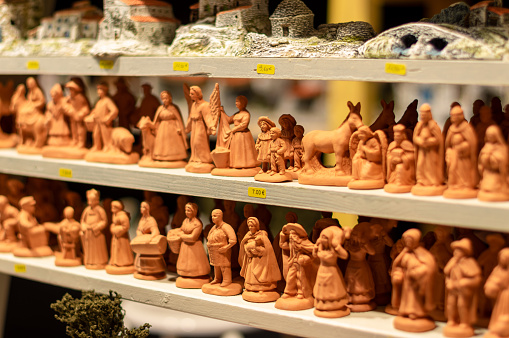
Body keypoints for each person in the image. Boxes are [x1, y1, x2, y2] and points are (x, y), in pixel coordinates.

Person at [391, 228, 437, 332]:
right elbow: (397, 265)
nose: (408, 243)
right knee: (406, 297)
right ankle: (404, 310)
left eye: (410, 240)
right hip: (407, 280)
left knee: (415, 298)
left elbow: (429, 267)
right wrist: (398, 274)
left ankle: (416, 313)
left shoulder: (423, 254)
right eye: (406, 240)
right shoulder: (405, 253)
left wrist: (417, 273)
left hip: (417, 282)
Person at [443, 238, 482, 337]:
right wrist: (448, 281)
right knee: (451, 304)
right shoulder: (453, 261)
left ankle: (464, 323)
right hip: (452, 289)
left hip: (463, 291)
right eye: (455, 250)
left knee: (462, 305)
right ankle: (452, 320)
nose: (455, 252)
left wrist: (463, 282)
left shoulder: (469, 262)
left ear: (464, 252)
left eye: (458, 250)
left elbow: (476, 278)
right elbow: (447, 272)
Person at [167, 202, 210, 288]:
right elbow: (182, 229)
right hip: (185, 246)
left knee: (195, 264)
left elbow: (193, 237)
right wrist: (174, 231)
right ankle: (186, 274)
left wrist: (181, 236)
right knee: (185, 263)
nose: (187, 212)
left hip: (194, 247)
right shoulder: (185, 221)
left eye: (189, 210)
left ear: (194, 211)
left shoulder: (197, 224)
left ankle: (197, 275)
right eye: (186, 210)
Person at [238, 217, 281, 302]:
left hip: (261, 260)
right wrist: (247, 247)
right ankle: (251, 287)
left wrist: (258, 249)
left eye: (252, 226)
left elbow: (267, 247)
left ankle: (262, 288)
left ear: (257, 226)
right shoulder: (247, 235)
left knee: (261, 274)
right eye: (249, 226)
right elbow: (244, 244)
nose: (251, 228)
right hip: (251, 258)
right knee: (251, 274)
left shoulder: (262, 234)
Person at [275, 222, 316, 311]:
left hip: (302, 264)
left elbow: (313, 249)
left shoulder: (303, 242)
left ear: (297, 235)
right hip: (293, 262)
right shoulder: (291, 243)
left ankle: (302, 293)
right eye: (290, 235)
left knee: (301, 278)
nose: (291, 237)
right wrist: (282, 235)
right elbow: (282, 245)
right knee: (290, 277)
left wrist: (305, 255)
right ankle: (289, 292)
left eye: (293, 235)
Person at [313, 226, 349, 318]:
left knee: (333, 289)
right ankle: (322, 303)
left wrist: (337, 246)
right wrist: (315, 247)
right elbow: (314, 255)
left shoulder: (334, 249)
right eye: (322, 237)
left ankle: (335, 303)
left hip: (332, 271)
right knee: (321, 288)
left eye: (326, 238)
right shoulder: (320, 248)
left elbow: (345, 255)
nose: (323, 240)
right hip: (322, 269)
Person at [444, 105, 478, 199]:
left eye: (456, 115)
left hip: (464, 156)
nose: (454, 118)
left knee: (464, 171)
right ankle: (454, 184)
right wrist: (449, 151)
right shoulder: (451, 129)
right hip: (454, 154)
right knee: (452, 169)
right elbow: (448, 144)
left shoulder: (466, 128)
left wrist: (464, 147)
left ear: (461, 116)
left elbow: (472, 143)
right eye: (452, 116)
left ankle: (466, 185)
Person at [412, 104, 445, 196]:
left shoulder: (433, 126)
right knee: (421, 164)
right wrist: (420, 141)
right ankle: (421, 181)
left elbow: (438, 139)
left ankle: (434, 182)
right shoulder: (419, 125)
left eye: (425, 115)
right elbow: (415, 137)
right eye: (421, 115)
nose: (423, 116)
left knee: (431, 166)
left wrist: (429, 142)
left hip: (431, 151)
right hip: (422, 150)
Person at [221, 95, 259, 169]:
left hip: (243, 135)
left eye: (237, 101)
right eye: (236, 101)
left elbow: (244, 125)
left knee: (243, 150)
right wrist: (222, 112)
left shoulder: (246, 114)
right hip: (236, 135)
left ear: (243, 103)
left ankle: (245, 165)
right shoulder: (237, 113)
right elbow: (229, 120)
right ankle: (236, 164)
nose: (236, 103)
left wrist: (234, 129)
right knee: (237, 150)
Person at [185, 86, 214, 172]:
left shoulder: (205, 105)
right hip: (194, 126)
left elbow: (208, 117)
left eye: (192, 94)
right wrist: (187, 127)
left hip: (200, 127)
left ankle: (204, 160)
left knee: (199, 142)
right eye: (190, 93)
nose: (190, 95)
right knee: (193, 143)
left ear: (198, 94)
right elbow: (190, 116)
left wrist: (211, 127)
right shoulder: (193, 105)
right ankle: (196, 159)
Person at [152, 91, 187, 162]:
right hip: (162, 128)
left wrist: (179, 127)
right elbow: (157, 120)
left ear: (170, 98)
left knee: (172, 143)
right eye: (163, 99)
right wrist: (155, 128)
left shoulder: (174, 108)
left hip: (172, 128)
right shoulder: (160, 108)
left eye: (166, 98)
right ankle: (161, 156)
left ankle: (175, 156)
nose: (165, 100)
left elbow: (178, 119)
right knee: (162, 143)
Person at [206, 209, 237, 288]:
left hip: (223, 250)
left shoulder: (226, 227)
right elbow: (208, 236)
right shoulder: (214, 227)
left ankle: (227, 280)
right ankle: (217, 278)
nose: (212, 218)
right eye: (212, 216)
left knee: (224, 265)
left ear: (220, 216)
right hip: (214, 249)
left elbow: (233, 240)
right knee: (216, 265)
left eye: (215, 216)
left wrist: (225, 248)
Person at [478, 125, 509, 201]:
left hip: (497, 174)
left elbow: (503, 160)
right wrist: (484, 158)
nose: (489, 137)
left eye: (491, 136)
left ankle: (499, 187)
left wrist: (492, 158)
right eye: (488, 136)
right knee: (486, 184)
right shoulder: (486, 146)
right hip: (488, 172)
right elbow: (480, 158)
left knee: (493, 184)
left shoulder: (502, 147)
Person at [86, 82, 118, 152]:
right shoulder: (99, 101)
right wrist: (91, 116)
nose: (99, 92)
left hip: (104, 123)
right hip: (97, 122)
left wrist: (108, 118)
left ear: (105, 91)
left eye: (101, 90)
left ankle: (107, 147)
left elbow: (114, 110)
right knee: (95, 135)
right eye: (98, 89)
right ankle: (96, 146)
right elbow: (95, 111)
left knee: (106, 136)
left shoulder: (107, 100)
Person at [80, 189, 108, 269]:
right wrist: (84, 226)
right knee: (89, 249)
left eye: (92, 200)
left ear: (96, 200)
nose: (90, 202)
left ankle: (100, 262)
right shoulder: (86, 210)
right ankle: (89, 262)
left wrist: (97, 226)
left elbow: (104, 221)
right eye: (89, 200)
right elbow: (82, 220)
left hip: (96, 233)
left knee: (98, 250)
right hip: (88, 234)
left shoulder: (100, 210)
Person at [484, 248, 509, 338]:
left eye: (505, 258)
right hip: (501, 296)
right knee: (498, 313)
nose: (503, 259)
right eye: (501, 257)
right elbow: (491, 279)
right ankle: (497, 330)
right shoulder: (497, 269)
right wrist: (491, 285)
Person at [107, 200, 134, 274]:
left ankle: (124, 262)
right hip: (116, 236)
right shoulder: (115, 214)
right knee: (115, 248)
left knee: (122, 249)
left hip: (121, 236)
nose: (112, 208)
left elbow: (126, 226)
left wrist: (115, 229)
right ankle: (115, 262)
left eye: (113, 207)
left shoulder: (123, 216)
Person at [64, 79, 90, 148]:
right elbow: (64, 106)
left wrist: (81, 114)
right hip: (72, 117)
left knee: (80, 131)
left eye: (72, 90)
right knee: (73, 130)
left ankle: (81, 142)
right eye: (69, 90)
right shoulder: (69, 99)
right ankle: (74, 140)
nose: (70, 92)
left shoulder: (81, 98)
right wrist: (69, 110)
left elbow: (86, 108)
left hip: (79, 119)